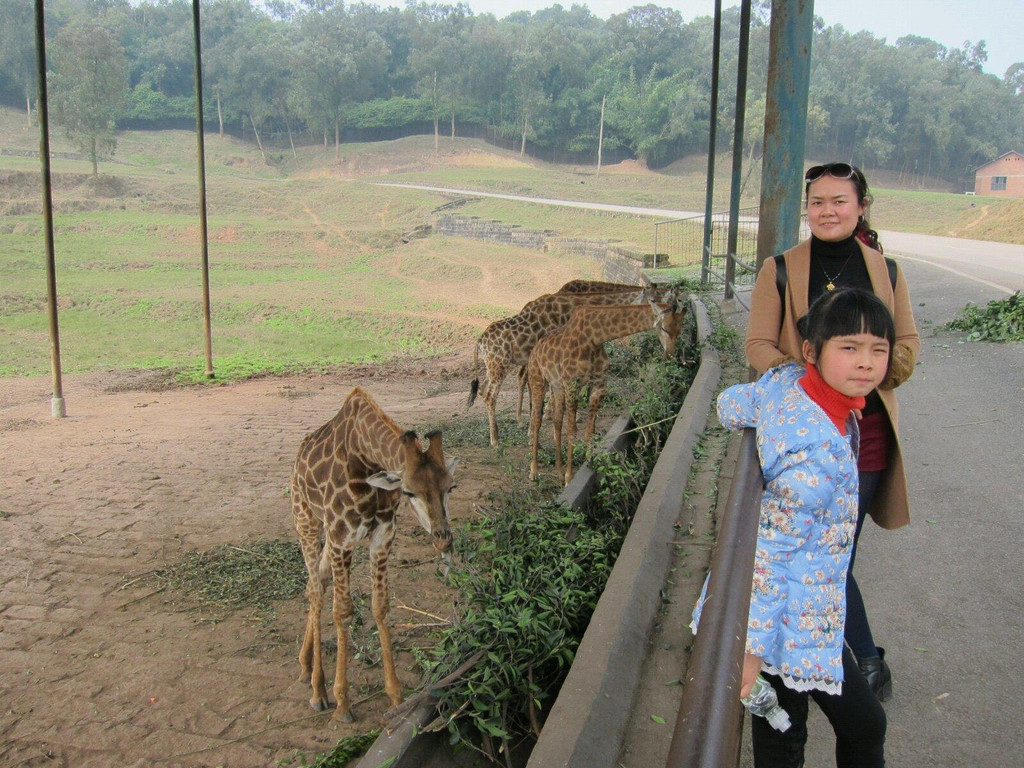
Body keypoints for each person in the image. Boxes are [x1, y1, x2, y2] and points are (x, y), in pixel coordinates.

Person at [693, 288, 895, 767]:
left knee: (786, 736)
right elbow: (767, 556)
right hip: (790, 620)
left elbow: (733, 404)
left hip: (809, 611)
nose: (866, 363)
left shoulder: (790, 385)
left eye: (878, 349)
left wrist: (747, 409)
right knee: (858, 727)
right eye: (849, 348)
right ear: (812, 351)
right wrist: (748, 653)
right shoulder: (813, 453)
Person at [744, 162, 920, 700]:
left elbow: (907, 348)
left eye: (839, 201)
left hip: (864, 440)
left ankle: (854, 664)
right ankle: (860, 662)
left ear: (861, 206)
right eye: (817, 202)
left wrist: (857, 375)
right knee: (821, 554)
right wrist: (811, 386)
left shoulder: (885, 272)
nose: (827, 211)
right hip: (802, 440)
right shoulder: (780, 268)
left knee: (833, 554)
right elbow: (757, 346)